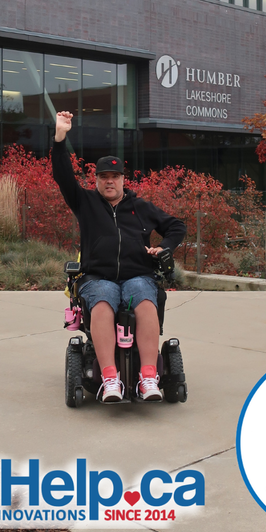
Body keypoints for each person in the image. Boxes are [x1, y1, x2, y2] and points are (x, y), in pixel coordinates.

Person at [52, 111, 186, 403]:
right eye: (103, 177)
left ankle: (148, 377)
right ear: (97, 180)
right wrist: (60, 138)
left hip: (138, 274)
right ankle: (110, 378)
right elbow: (63, 176)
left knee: (146, 300)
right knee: (101, 302)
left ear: (124, 179)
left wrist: (164, 247)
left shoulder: (141, 206)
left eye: (114, 177)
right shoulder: (85, 203)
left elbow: (176, 226)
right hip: (98, 276)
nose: (109, 182)